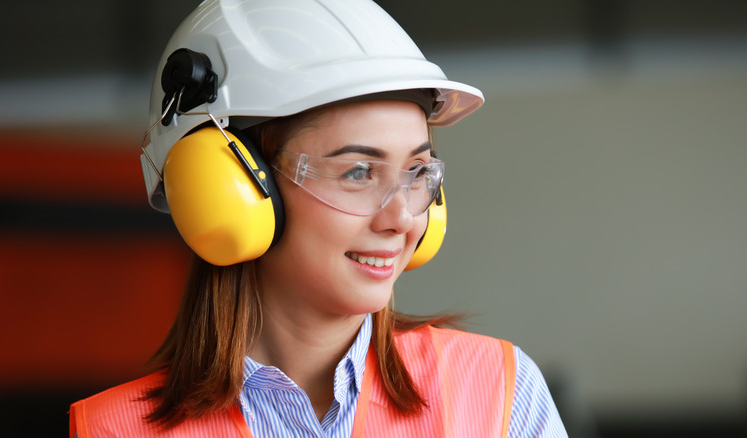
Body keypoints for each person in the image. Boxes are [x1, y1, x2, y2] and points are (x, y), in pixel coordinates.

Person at [69, 0, 568, 436]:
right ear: (231, 188)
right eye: (356, 172)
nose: (401, 218)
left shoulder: (498, 392)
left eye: (417, 172)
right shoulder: (115, 430)